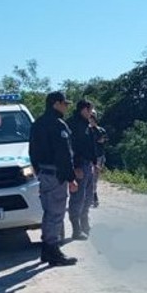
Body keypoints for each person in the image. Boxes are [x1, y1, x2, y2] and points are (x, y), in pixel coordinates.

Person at [29, 91, 79, 266]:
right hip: (56, 174)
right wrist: (71, 178)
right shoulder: (58, 125)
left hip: (43, 172)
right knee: (56, 214)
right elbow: (64, 155)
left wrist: (38, 170)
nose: (66, 107)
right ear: (56, 104)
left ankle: (46, 250)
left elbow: (32, 152)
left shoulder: (37, 124)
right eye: (65, 103)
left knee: (48, 212)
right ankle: (53, 251)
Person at [65, 99, 96, 240]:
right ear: (83, 109)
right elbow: (72, 148)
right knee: (78, 198)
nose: (91, 113)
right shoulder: (73, 124)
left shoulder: (86, 124)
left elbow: (90, 145)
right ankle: (76, 229)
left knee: (88, 197)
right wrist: (75, 167)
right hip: (79, 165)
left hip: (88, 164)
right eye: (90, 110)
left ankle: (85, 225)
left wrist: (95, 163)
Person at [89, 110, 107, 208]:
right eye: (91, 115)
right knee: (89, 178)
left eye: (93, 116)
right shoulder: (87, 130)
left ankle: (93, 196)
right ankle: (92, 197)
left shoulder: (101, 130)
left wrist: (102, 140)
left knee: (95, 178)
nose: (92, 117)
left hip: (99, 157)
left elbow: (104, 140)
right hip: (90, 157)